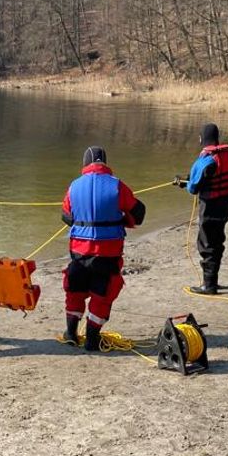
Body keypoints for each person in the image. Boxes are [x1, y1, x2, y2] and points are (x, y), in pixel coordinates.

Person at [61, 147, 146, 351]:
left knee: (75, 291)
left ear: (85, 164)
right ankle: (91, 339)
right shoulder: (118, 186)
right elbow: (140, 213)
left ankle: (71, 333)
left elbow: (66, 216)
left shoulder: (73, 187)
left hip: (79, 254)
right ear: (104, 163)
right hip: (107, 255)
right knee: (103, 295)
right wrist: (123, 220)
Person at [174, 123, 228, 294]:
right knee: (217, 241)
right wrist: (186, 181)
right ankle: (212, 282)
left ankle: (208, 285)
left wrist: (184, 183)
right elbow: (208, 177)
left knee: (206, 243)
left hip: (211, 206)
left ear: (202, 138)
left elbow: (194, 188)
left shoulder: (206, 159)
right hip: (226, 202)